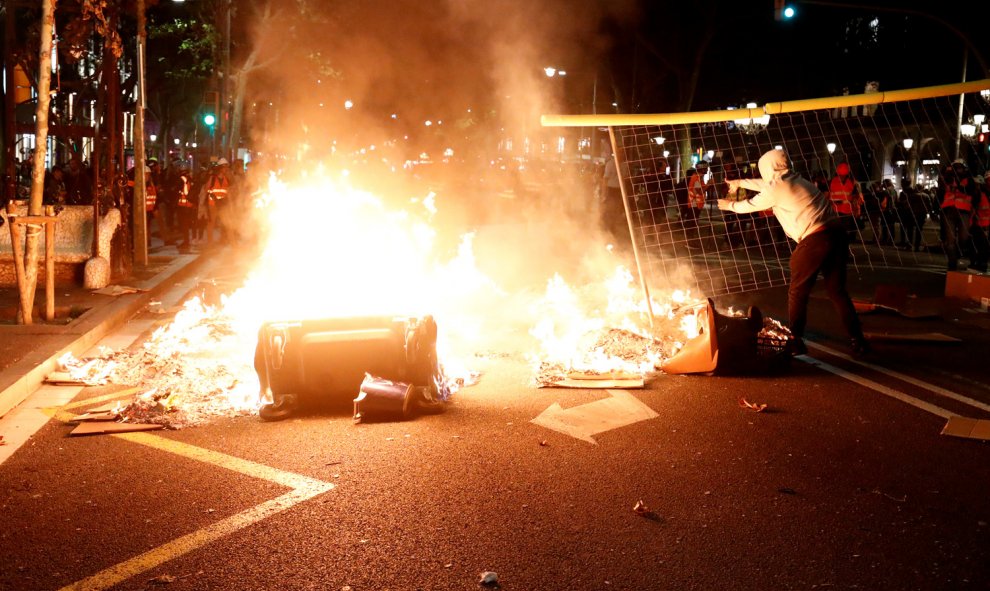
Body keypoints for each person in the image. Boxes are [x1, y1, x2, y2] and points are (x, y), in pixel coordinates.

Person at [718, 148, 870, 357]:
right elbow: (765, 185)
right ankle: (858, 340)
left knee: (797, 293)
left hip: (815, 239)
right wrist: (740, 183)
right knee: (837, 291)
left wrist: (729, 205)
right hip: (837, 235)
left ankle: (795, 340)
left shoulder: (778, 187)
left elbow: (752, 204)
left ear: (768, 167)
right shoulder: (795, 179)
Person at [939, 159, 977, 271]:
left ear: (964, 168)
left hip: (963, 211)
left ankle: (959, 253)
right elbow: (941, 192)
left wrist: (958, 186)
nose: (957, 169)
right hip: (949, 210)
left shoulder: (969, 179)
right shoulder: (948, 178)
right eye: (955, 167)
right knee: (950, 240)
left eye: (959, 167)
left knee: (963, 238)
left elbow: (970, 191)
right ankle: (952, 263)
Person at [600, 151, 631, 250]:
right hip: (611, 190)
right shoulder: (610, 164)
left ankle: (613, 233)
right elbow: (605, 179)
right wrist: (604, 194)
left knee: (616, 212)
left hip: (619, 191)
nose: (622, 156)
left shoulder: (624, 165)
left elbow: (625, 179)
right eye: (621, 154)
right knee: (609, 212)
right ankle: (606, 234)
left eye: (623, 154)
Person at [683, 160, 712, 250]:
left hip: (696, 205)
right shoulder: (696, 177)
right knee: (692, 223)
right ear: (702, 169)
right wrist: (709, 184)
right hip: (694, 205)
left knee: (693, 223)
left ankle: (691, 241)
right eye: (706, 168)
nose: (707, 170)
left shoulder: (699, 177)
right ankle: (689, 242)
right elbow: (698, 191)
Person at [829, 162, 862, 237]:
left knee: (844, 229)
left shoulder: (852, 182)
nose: (842, 177)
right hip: (836, 209)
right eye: (841, 175)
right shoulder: (834, 181)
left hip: (846, 210)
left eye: (843, 175)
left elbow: (857, 197)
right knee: (838, 228)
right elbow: (829, 195)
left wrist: (856, 208)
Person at [204, 158, 232, 245]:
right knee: (211, 223)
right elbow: (206, 189)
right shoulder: (212, 178)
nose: (226, 169)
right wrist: (213, 196)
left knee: (227, 223)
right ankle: (210, 242)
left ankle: (229, 241)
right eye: (224, 167)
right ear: (220, 168)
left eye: (227, 168)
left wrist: (228, 203)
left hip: (222, 205)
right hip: (213, 204)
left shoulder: (226, 179)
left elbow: (227, 192)